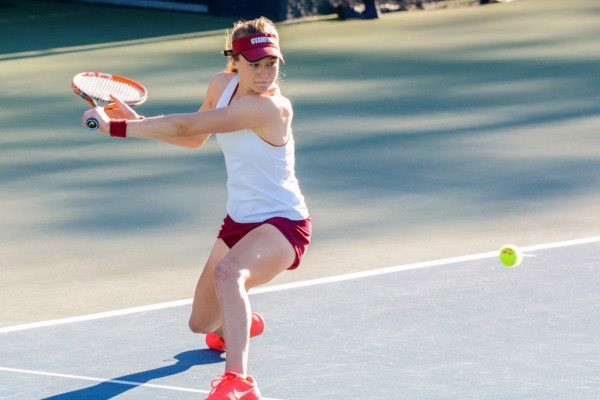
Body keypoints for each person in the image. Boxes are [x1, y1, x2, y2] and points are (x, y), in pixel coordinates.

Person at [82, 17, 311, 400]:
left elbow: (186, 126)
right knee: (200, 323)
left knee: (229, 274)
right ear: (233, 60)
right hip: (239, 221)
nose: (265, 72)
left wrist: (116, 129)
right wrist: (140, 122)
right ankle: (239, 324)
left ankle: (238, 381)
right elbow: (196, 137)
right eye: (255, 64)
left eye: (271, 63)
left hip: (283, 223)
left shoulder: (272, 108)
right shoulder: (221, 86)